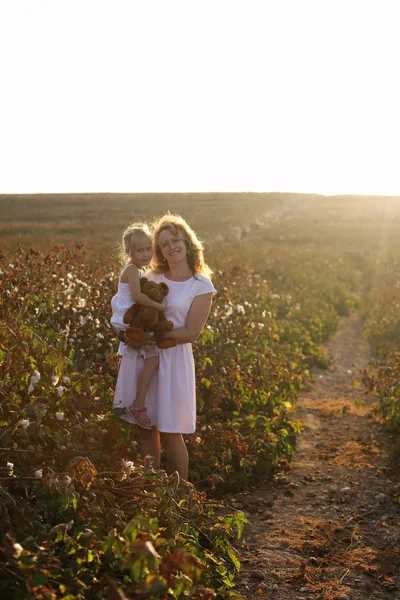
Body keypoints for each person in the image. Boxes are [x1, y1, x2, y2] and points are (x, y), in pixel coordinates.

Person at [138, 214, 215, 480]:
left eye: (175, 240)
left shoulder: (201, 285)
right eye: (164, 244)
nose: (171, 248)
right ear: (159, 251)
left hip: (174, 358)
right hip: (146, 357)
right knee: (146, 427)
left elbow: (192, 332)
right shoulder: (152, 275)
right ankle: (151, 490)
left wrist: (155, 337)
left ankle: (180, 496)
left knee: (171, 431)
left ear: (187, 241)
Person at [111, 222, 165, 429]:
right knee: (153, 358)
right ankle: (138, 404)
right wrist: (159, 305)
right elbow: (137, 296)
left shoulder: (137, 270)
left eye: (148, 249)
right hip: (127, 322)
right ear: (129, 252)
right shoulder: (132, 270)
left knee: (151, 357)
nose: (145, 254)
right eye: (139, 250)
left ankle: (138, 403)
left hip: (130, 321)